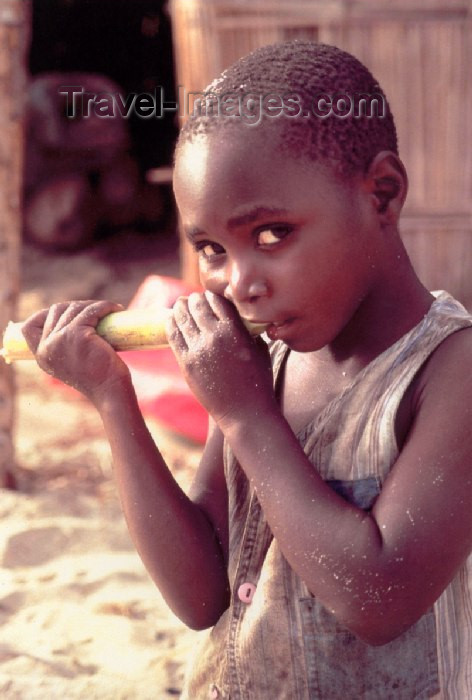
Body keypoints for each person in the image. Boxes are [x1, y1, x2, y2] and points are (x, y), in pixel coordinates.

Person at [22, 41, 472, 698]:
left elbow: (379, 599)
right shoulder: (270, 362)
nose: (239, 284)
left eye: (270, 235)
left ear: (382, 194)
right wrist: (113, 399)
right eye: (210, 249)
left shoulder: (448, 371)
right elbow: (201, 595)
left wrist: (245, 414)